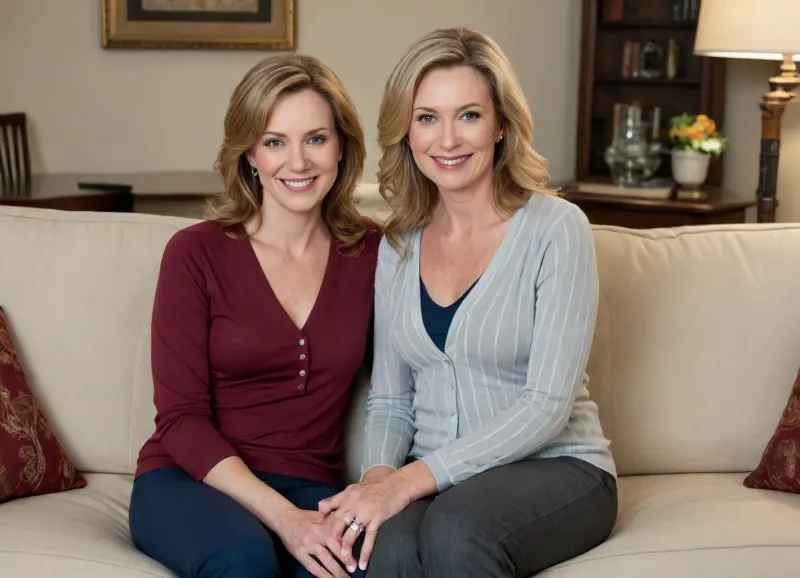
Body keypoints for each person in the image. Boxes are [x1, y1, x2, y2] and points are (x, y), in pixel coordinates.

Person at [317, 27, 618, 577]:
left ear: (501, 124)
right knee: (381, 545)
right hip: (436, 476)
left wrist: (410, 481)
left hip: (558, 468)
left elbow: (545, 407)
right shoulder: (399, 243)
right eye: (427, 117)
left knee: (457, 531)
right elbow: (390, 399)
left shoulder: (556, 229)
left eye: (469, 115)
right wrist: (379, 480)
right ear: (406, 132)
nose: (447, 139)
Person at [128, 53, 379, 578]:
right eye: (275, 141)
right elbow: (181, 418)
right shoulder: (194, 253)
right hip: (189, 481)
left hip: (312, 484)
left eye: (316, 138)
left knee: (363, 569)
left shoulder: (373, 253)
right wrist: (285, 518)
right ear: (249, 154)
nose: (298, 162)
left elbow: (409, 380)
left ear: (341, 148)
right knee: (245, 559)